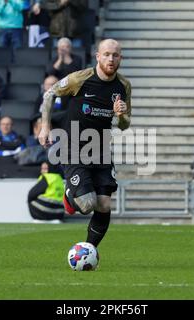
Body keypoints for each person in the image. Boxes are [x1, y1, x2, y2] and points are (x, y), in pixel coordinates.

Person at [38, 38, 132, 248]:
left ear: (121, 59)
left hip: (100, 150)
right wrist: (45, 126)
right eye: (106, 54)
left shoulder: (123, 86)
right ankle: (69, 193)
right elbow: (50, 93)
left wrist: (121, 115)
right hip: (73, 147)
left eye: (115, 55)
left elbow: (124, 125)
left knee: (104, 205)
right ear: (97, 56)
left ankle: (89, 250)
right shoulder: (80, 79)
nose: (111, 59)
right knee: (87, 204)